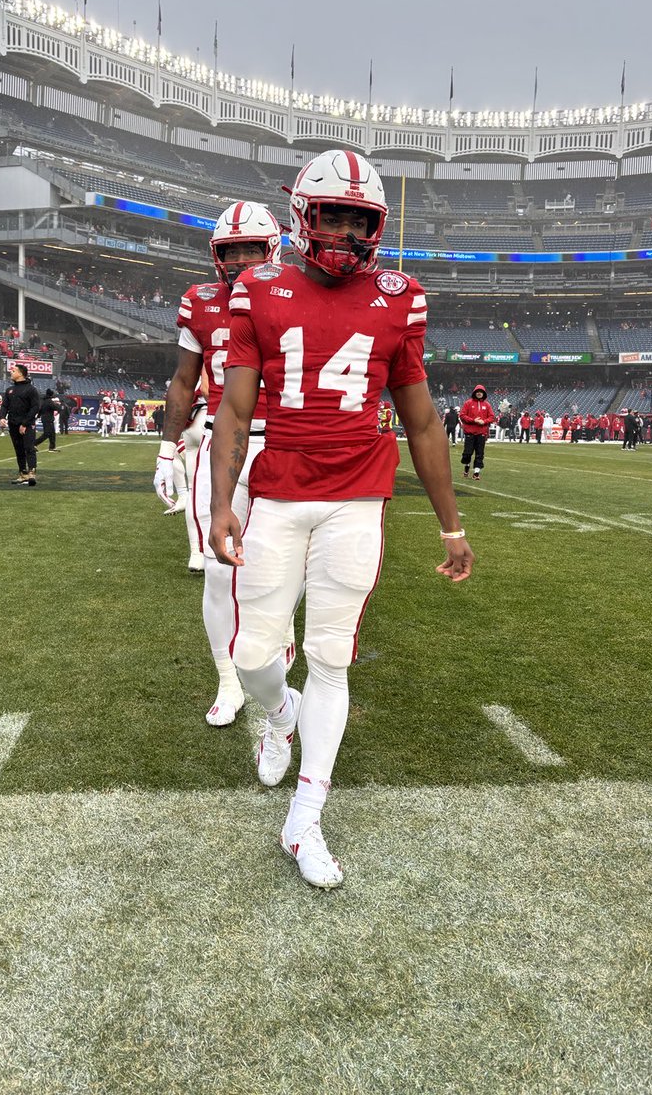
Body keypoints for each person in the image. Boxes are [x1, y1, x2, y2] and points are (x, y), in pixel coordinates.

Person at [209, 149, 474, 889]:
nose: (349, 232)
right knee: (254, 652)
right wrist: (219, 503)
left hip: (357, 494)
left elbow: (421, 422)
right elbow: (234, 407)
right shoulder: (256, 287)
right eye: (335, 214)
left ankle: (306, 818)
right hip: (279, 489)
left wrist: (451, 525)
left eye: (362, 219)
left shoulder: (401, 295)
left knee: (332, 653)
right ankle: (280, 714)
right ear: (303, 213)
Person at [154, 199, 287, 726]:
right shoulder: (201, 301)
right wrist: (167, 450)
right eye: (230, 251)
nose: (239, 261)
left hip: (282, 442)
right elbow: (184, 381)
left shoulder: (294, 295)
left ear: (272, 249)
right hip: (221, 443)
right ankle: (228, 680)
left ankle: (279, 636)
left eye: (250, 249)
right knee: (215, 570)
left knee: (283, 561)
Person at [0, 364, 41, 485]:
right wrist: (2, 417)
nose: (11, 372)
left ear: (21, 373)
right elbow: (4, 406)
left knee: (29, 448)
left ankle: (32, 473)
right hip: (13, 424)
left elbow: (35, 407)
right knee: (19, 450)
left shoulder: (31, 389)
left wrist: (25, 423)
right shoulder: (9, 390)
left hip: (27, 424)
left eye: (13, 371)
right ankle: (23, 474)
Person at [459, 383, 495, 479]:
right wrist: (473, 420)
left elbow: (491, 417)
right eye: (478, 392)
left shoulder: (487, 405)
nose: (479, 393)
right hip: (470, 433)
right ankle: (466, 467)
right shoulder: (468, 403)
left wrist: (484, 421)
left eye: (481, 392)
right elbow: (462, 415)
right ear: (474, 393)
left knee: (480, 454)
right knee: (467, 453)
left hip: (481, 434)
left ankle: (476, 473)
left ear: (484, 393)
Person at [35, 387, 61, 452]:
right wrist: (58, 405)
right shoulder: (50, 401)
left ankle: (52, 447)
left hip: (46, 419)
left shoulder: (44, 401)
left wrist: (38, 417)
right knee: (47, 434)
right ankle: (34, 444)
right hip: (48, 420)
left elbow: (40, 410)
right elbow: (57, 408)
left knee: (52, 433)